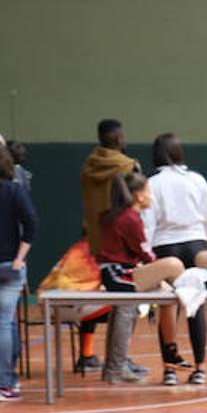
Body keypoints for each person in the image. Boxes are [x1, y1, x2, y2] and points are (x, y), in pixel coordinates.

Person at [94, 172, 185, 384]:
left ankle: (114, 367)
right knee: (174, 265)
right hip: (118, 274)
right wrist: (158, 272)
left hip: (115, 273)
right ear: (138, 196)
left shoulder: (122, 215)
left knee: (127, 308)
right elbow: (145, 254)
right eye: (148, 191)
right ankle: (116, 368)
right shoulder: (129, 218)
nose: (152, 196)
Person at [143, 133, 207, 385]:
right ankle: (200, 368)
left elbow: (148, 224)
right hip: (196, 245)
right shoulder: (197, 180)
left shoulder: (152, 183)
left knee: (167, 307)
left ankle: (170, 370)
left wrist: (147, 256)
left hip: (165, 247)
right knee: (195, 304)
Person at [79, 119, 142, 373]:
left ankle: (96, 356)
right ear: (118, 139)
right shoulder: (128, 166)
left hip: (96, 243)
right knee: (131, 304)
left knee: (114, 303)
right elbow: (134, 202)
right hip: (123, 245)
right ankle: (119, 361)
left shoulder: (88, 168)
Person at [0, 139, 36, 402]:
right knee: (2, 324)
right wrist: (20, 257)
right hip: (8, 267)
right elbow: (31, 224)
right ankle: (4, 384)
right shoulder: (14, 191)